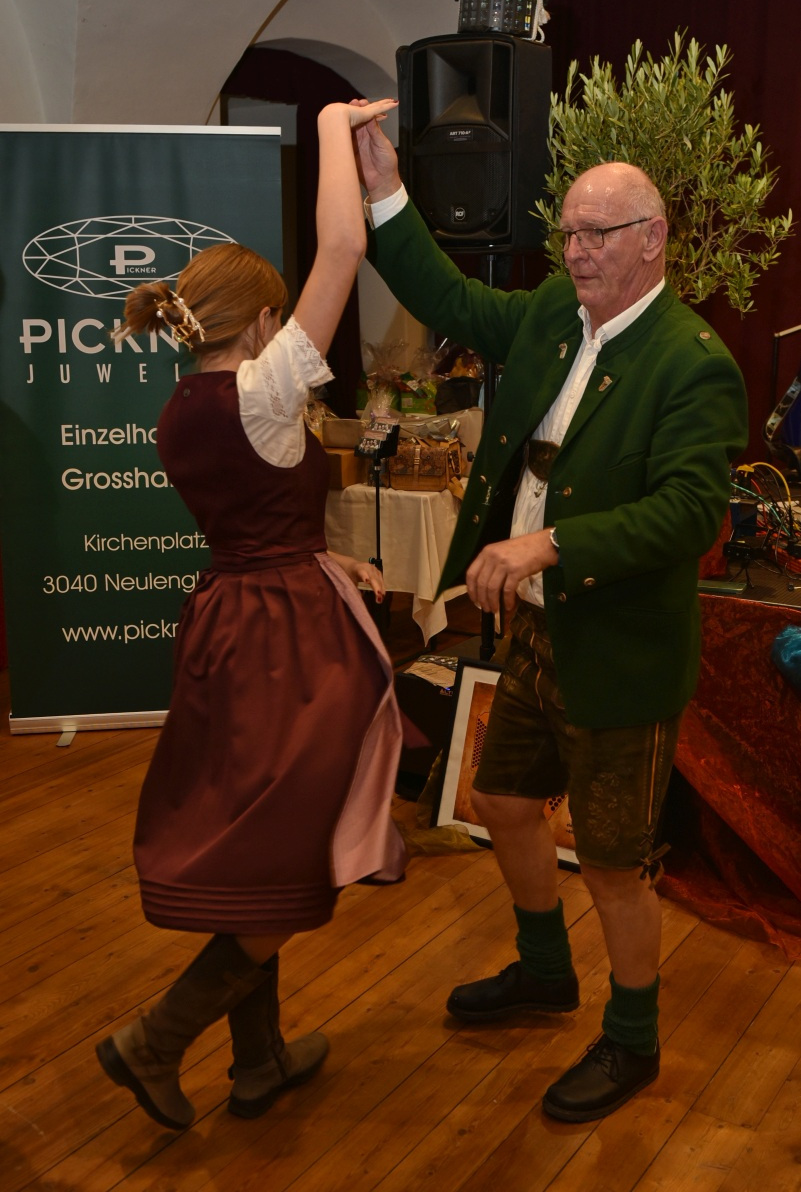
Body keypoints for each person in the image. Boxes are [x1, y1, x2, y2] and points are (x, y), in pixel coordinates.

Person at [355, 115, 748, 1121]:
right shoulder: (551, 317)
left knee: (613, 865)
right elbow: (447, 297)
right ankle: (543, 969)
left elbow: (688, 513)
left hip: (618, 651)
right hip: (537, 633)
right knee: (502, 803)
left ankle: (634, 1041)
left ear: (652, 239)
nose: (576, 251)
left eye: (598, 234)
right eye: (569, 233)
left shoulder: (692, 360)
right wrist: (385, 186)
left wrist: (547, 545)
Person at [95, 98, 405, 1131]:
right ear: (264, 322)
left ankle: (260, 1060)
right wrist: (333, 124)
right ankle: (157, 1038)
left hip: (230, 620)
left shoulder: (179, 408)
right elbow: (343, 245)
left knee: (258, 837)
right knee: (294, 845)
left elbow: (253, 522)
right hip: (287, 644)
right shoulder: (265, 395)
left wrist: (325, 556)